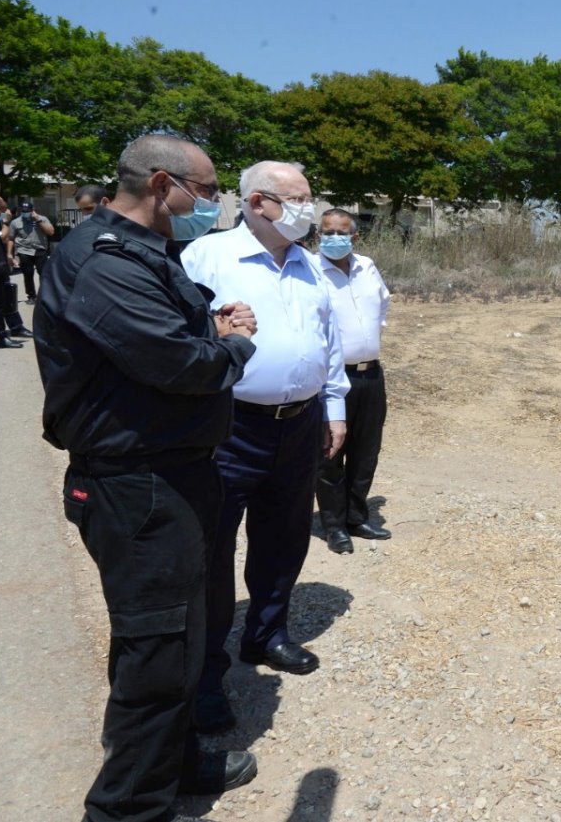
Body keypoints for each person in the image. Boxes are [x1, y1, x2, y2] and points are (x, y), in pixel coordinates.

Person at [32, 134, 260, 822]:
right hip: (138, 486)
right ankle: (129, 806)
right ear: (164, 184)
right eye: (209, 189)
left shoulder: (142, 251)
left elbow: (168, 334)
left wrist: (207, 326)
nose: (213, 203)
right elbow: (180, 365)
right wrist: (232, 345)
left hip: (174, 477)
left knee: (181, 641)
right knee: (156, 652)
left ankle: (176, 758)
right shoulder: (101, 260)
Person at [181, 160, 348, 733]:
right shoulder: (207, 257)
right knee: (210, 549)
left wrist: (335, 406)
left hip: (299, 423)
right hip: (228, 425)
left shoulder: (310, 265)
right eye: (297, 199)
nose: (310, 208)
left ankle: (267, 633)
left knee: (284, 537)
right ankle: (203, 675)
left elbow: (327, 343)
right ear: (257, 203)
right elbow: (178, 336)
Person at [314, 207, 393, 554]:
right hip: (332, 378)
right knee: (331, 452)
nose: (333, 238)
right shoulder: (311, 270)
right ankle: (334, 526)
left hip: (371, 373)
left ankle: (357, 517)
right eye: (327, 232)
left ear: (354, 236)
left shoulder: (367, 266)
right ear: (318, 234)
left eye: (340, 232)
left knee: (366, 450)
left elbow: (383, 303)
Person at [0, 195, 24, 347]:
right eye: (1, 210)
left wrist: (7, 257)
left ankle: (2, 335)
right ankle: (0, 337)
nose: (4, 212)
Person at [9, 199, 55, 302]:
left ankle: (43, 294)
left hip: (40, 249)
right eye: (23, 211)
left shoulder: (43, 219)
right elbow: (11, 238)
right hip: (24, 250)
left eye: (27, 211)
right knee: (28, 273)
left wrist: (38, 220)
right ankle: (31, 296)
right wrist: (9, 254)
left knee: (43, 273)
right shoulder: (15, 222)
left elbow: (51, 232)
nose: (25, 213)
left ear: (32, 210)